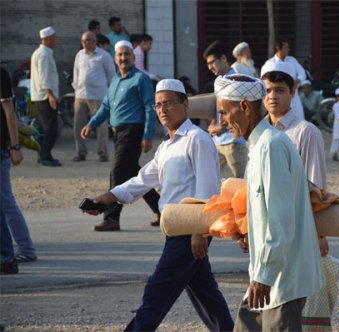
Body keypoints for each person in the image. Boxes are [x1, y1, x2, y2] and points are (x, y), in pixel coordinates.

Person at [83, 79, 234, 331]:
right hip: (174, 228)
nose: (163, 110)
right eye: (158, 105)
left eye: (169, 103)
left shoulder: (198, 139)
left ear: (185, 105)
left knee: (157, 292)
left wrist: (200, 231)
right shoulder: (166, 146)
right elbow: (142, 180)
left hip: (190, 229)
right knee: (206, 295)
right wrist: (106, 198)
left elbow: (208, 190)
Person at [214, 73, 325, 331]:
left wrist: (263, 275)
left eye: (224, 112)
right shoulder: (260, 145)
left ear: (244, 107)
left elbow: (280, 218)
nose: (221, 121)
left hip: (280, 278)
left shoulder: (270, 147)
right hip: (268, 272)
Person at [81, 41, 160, 231]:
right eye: (120, 55)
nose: (123, 58)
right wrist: (91, 124)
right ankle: (162, 210)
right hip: (117, 134)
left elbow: (150, 108)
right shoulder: (115, 80)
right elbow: (106, 108)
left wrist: (147, 135)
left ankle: (111, 217)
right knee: (133, 175)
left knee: (117, 173)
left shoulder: (141, 79)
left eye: (127, 54)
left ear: (133, 57)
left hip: (133, 132)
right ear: (115, 58)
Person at [260, 61, 329, 253]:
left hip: (297, 228)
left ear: (293, 91)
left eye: (280, 90)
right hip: (262, 227)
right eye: (267, 91)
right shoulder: (258, 133)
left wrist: (319, 233)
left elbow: (316, 186)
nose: (272, 96)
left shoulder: (306, 132)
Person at [1, 67, 37, 274]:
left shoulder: (1, 74)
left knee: (6, 202)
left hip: (1, 149)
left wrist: (15, 146)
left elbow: (9, 111)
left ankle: (25, 248)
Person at [203, 41, 247, 178]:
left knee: (243, 184)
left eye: (212, 62)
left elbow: (236, 110)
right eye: (207, 64)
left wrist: (220, 127)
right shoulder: (219, 80)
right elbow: (219, 107)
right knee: (208, 178)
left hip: (234, 142)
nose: (209, 67)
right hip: (218, 141)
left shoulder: (235, 80)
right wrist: (212, 123)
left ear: (223, 59)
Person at [72, 31, 115, 162]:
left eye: (87, 40)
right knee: (78, 125)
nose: (84, 43)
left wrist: (109, 94)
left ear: (94, 41)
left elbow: (111, 76)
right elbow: (76, 73)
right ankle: (81, 153)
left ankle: (103, 153)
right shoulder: (79, 55)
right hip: (81, 96)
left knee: (101, 126)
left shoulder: (104, 56)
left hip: (98, 96)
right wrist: (76, 89)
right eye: (83, 41)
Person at [30, 26, 61, 167]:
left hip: (41, 96)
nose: (56, 40)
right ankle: (46, 155)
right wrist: (51, 96)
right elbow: (44, 77)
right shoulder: (44, 54)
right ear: (48, 39)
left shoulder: (41, 52)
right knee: (51, 128)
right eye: (54, 38)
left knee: (43, 128)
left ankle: (42, 154)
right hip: (45, 96)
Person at [262, 37, 307, 120]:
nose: (288, 49)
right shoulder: (270, 64)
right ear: (278, 48)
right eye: (286, 47)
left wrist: (298, 81)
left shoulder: (292, 60)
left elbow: (302, 73)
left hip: (293, 95)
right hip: (278, 96)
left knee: (298, 118)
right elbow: (265, 81)